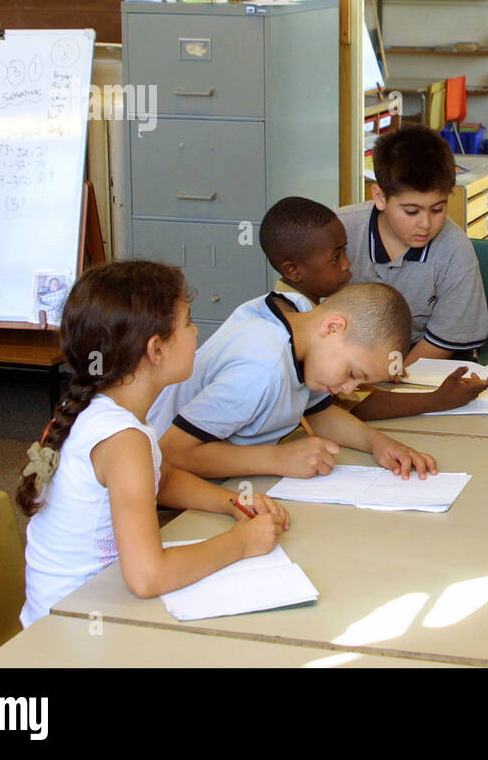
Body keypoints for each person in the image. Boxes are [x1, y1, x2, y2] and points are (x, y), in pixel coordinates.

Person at [18, 261, 290, 628]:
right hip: (74, 630)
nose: (196, 333)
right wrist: (241, 543)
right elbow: (148, 577)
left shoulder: (104, 408)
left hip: (80, 610)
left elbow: (161, 477)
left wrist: (232, 503)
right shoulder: (123, 439)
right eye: (188, 322)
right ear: (156, 349)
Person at [150, 282, 438, 480]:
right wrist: (277, 459)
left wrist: (376, 442)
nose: (348, 390)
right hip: (167, 491)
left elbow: (317, 411)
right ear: (333, 327)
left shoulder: (299, 313)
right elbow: (172, 454)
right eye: (352, 374)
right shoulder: (260, 370)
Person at [259, 196, 488, 419]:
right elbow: (348, 405)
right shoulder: (281, 342)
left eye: (345, 251)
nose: (347, 264)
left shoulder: (295, 306)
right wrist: (438, 400)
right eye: (336, 258)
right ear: (293, 271)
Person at [338, 127, 488, 366]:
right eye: (411, 211)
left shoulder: (455, 250)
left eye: (438, 209)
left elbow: (445, 340)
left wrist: (393, 381)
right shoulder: (339, 232)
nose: (426, 224)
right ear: (379, 197)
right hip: (346, 356)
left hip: (421, 361)